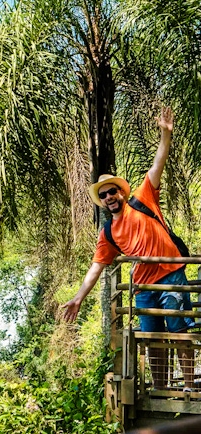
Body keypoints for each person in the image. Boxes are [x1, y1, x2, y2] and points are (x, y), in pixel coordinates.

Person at [62, 107, 195, 391]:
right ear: (102, 201)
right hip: (143, 288)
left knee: (180, 331)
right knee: (152, 339)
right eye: (103, 195)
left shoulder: (143, 199)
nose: (109, 196)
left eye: (112, 191)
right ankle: (160, 388)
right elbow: (96, 266)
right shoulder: (108, 231)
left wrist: (165, 135)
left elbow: (158, 164)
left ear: (121, 192)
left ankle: (190, 386)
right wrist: (78, 298)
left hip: (171, 276)